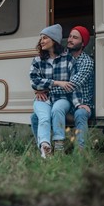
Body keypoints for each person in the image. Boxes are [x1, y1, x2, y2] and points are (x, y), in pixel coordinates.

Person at [31, 25, 94, 151]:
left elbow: (70, 86)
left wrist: (45, 88)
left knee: (80, 113)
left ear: (83, 43)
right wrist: (38, 88)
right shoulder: (63, 55)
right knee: (34, 117)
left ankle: (81, 151)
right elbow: (39, 78)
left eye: (75, 38)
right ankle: (43, 148)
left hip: (79, 103)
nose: (70, 39)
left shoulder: (86, 62)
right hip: (63, 101)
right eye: (70, 36)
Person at [29, 24, 75, 158]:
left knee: (57, 110)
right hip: (43, 98)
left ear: (54, 40)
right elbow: (34, 81)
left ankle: (59, 146)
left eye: (45, 38)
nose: (41, 41)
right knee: (43, 118)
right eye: (41, 39)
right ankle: (45, 147)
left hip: (63, 98)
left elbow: (72, 82)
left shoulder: (68, 59)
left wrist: (44, 86)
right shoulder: (37, 60)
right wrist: (56, 83)